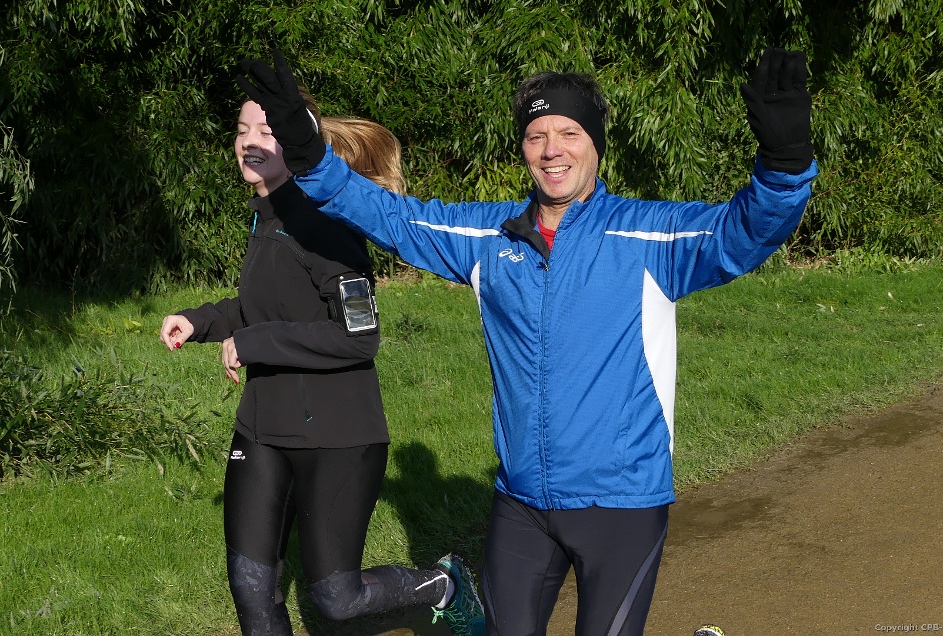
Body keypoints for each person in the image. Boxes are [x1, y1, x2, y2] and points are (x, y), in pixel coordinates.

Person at [236, 47, 818, 635]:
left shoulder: (647, 236)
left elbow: (745, 231)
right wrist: (307, 149)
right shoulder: (491, 238)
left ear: (596, 145)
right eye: (537, 135)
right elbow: (389, 216)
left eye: (569, 133)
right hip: (522, 504)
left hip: (621, 504)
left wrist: (785, 162)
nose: (551, 149)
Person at [158, 90, 484, 636]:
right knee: (250, 586)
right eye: (242, 130)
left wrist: (255, 342)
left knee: (337, 597)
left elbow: (359, 337)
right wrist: (200, 321)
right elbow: (265, 306)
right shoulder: (267, 216)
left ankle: (443, 585)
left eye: (266, 132)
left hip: (338, 437)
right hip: (262, 429)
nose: (249, 143)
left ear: (295, 141)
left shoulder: (325, 225)